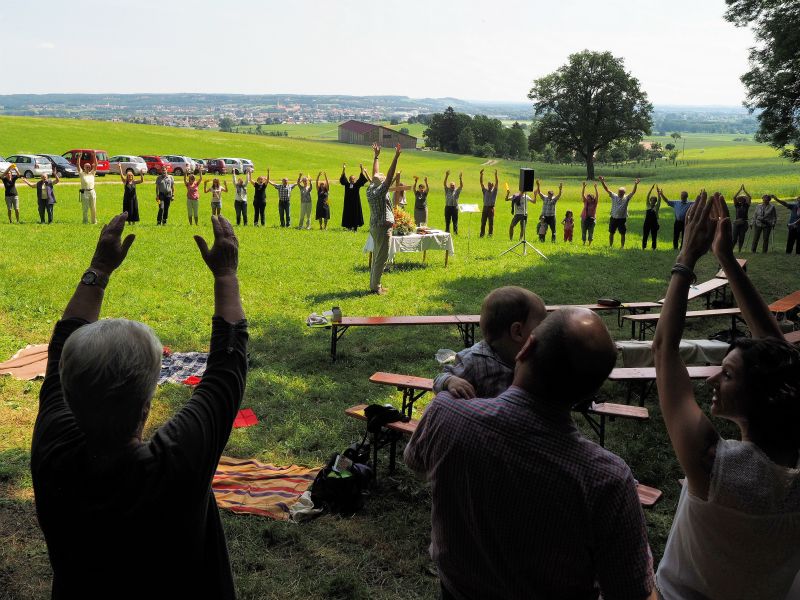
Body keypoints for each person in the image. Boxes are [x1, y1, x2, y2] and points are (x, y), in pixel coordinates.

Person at [30, 212, 247, 600]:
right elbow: (227, 369)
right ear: (148, 404)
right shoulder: (177, 464)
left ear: (67, 390)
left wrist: (99, 268)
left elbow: (62, 343)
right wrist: (225, 275)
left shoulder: (54, 449)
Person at [406, 307, 655, 600]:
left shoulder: (445, 414)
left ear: (525, 348)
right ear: (592, 390)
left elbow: (416, 463)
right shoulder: (606, 479)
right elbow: (632, 591)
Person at [653, 192, 800, 599]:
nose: (713, 378)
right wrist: (727, 262)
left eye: (729, 373)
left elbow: (665, 349)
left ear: (760, 396)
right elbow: (783, 359)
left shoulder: (719, 470)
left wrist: (686, 259)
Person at [432, 286, 546, 399]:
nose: (545, 331)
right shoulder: (475, 360)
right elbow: (439, 379)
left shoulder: (534, 359)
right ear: (518, 331)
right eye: (542, 326)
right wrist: (450, 381)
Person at [366, 143, 401, 295]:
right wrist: (396, 157)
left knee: (377, 256)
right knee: (381, 257)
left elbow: (376, 173)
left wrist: (376, 156)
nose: (384, 176)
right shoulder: (380, 190)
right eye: (383, 178)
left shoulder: (371, 188)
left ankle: (374, 285)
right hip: (382, 227)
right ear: (381, 183)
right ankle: (376, 288)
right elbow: (389, 175)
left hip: (374, 226)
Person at [599, 176, 639, 248]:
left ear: (624, 193)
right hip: (613, 218)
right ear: (618, 192)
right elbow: (607, 189)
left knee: (622, 233)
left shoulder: (627, 198)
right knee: (611, 233)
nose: (620, 193)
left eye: (622, 192)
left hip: (622, 219)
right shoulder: (614, 196)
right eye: (619, 192)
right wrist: (602, 182)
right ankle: (610, 245)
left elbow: (633, 192)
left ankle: (622, 246)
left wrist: (636, 184)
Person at [339, 163, 367, 231]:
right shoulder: (347, 184)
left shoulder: (357, 185)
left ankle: (355, 227)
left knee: (356, 214)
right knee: (348, 213)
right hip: (348, 203)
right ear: (349, 179)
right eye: (351, 179)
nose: (352, 180)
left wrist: (361, 169)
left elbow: (362, 178)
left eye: (353, 179)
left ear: (355, 179)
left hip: (355, 203)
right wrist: (344, 169)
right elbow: (342, 178)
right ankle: (349, 227)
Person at [78, 152, 98, 225]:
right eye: (87, 167)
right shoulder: (81, 173)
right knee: (85, 208)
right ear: (84, 167)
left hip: (92, 191)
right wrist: (79, 157)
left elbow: (96, 165)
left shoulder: (92, 173)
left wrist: (94, 156)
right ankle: (85, 221)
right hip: (85, 192)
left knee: (93, 207)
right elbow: (77, 165)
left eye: (89, 167)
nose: (88, 168)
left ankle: (94, 221)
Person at [731, 184, 752, 252]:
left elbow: (749, 197)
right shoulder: (737, 205)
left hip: (744, 223)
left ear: (744, 200)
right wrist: (740, 190)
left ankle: (739, 250)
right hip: (736, 223)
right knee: (734, 238)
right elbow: (734, 197)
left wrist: (744, 190)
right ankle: (731, 249)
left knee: (741, 237)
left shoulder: (746, 205)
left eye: (743, 198)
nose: (742, 199)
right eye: (740, 198)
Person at [479, 169, 498, 237]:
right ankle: (482, 234)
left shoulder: (494, 191)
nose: (489, 186)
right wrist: (481, 175)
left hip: (491, 208)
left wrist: (496, 175)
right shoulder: (485, 191)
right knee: (483, 222)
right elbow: (481, 183)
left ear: (492, 186)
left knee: (491, 222)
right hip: (485, 208)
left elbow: (497, 183)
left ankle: (490, 235)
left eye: (490, 185)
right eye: (488, 185)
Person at [580, 181, 599, 245]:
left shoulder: (595, 203)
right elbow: (582, 195)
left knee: (591, 232)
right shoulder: (586, 202)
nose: (587, 199)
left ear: (592, 199)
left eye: (589, 199)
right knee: (583, 231)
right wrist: (583, 187)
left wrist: (596, 188)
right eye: (587, 198)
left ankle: (589, 243)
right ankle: (583, 242)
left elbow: (597, 196)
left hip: (592, 219)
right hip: (584, 218)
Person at [642, 184, 660, 250]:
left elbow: (660, 199)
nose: (653, 201)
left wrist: (658, 192)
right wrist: (651, 189)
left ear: (655, 201)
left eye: (654, 200)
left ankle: (653, 248)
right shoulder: (648, 205)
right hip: (646, 223)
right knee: (645, 235)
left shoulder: (657, 206)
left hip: (654, 223)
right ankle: (643, 247)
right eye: (652, 200)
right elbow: (647, 196)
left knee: (654, 236)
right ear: (650, 200)